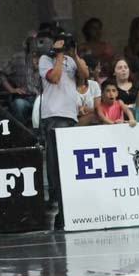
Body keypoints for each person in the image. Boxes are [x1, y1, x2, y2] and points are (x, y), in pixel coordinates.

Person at [39, 32, 89, 227]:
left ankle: (68, 203)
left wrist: (74, 53)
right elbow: (55, 77)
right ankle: (56, 200)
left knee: (68, 162)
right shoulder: (45, 60)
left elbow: (84, 76)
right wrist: (58, 55)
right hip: (54, 114)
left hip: (70, 115)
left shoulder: (71, 60)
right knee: (56, 162)